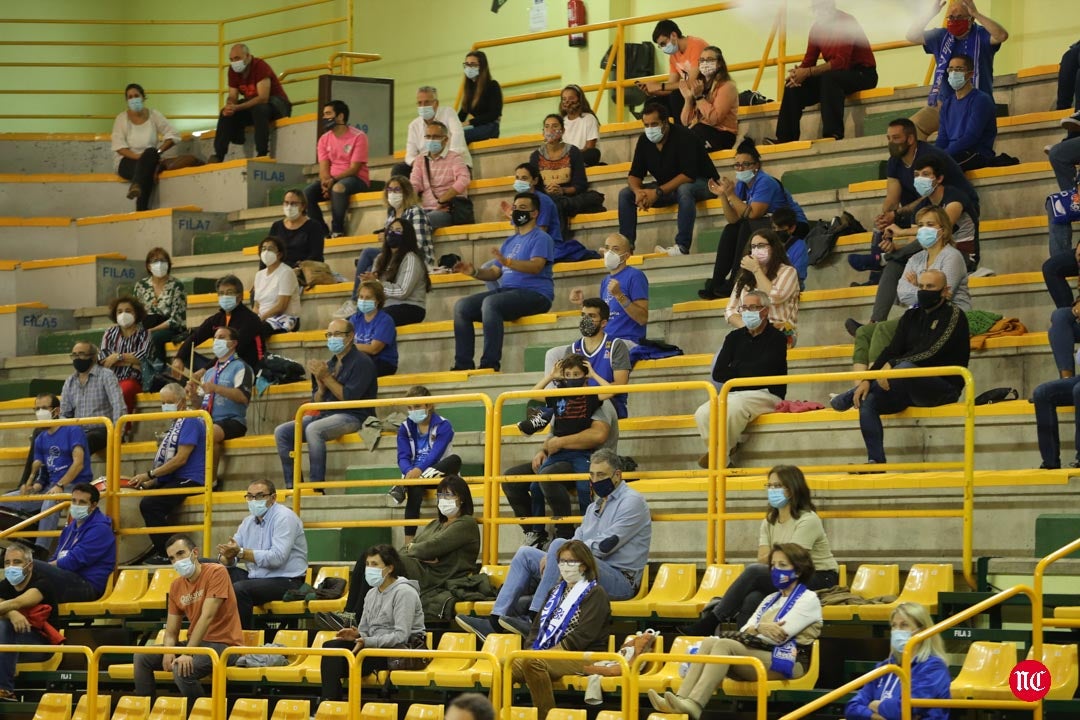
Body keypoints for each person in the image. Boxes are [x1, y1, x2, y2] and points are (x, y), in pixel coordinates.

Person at [456, 448, 650, 641]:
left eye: (601, 475)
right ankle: (494, 621)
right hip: (586, 568)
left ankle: (536, 620)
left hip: (620, 579)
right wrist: (556, 554)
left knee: (559, 545)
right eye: (592, 474)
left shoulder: (632, 502)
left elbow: (605, 546)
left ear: (617, 475)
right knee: (526, 554)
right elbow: (576, 539)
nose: (595, 480)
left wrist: (559, 553)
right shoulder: (594, 506)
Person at [650, 543, 823, 720]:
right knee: (710, 642)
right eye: (773, 565)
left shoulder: (809, 599)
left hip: (789, 661)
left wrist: (756, 629)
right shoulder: (770, 598)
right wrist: (759, 628)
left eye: (783, 565)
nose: (776, 570)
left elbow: (779, 636)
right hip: (761, 656)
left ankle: (695, 704)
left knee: (724, 644)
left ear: (799, 570)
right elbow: (745, 629)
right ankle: (680, 700)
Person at [830, 270, 970, 466]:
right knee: (867, 400)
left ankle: (849, 394)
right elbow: (891, 350)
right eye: (921, 286)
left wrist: (894, 366)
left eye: (930, 287)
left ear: (945, 291)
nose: (924, 291)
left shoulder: (954, 315)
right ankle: (875, 462)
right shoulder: (911, 315)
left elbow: (932, 351)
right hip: (906, 385)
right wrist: (867, 380)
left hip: (942, 388)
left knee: (905, 366)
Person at [682, 466, 839, 633]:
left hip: (819, 576)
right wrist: (778, 558)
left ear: (792, 489)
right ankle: (745, 644)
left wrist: (776, 558)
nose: (772, 490)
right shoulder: (769, 521)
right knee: (753, 598)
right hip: (784, 573)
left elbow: (793, 559)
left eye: (778, 486)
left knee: (754, 571)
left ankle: (713, 620)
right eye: (769, 486)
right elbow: (763, 557)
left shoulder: (808, 519)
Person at [844, 208, 972, 391]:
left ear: (942, 230)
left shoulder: (952, 256)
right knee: (864, 332)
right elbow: (903, 293)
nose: (923, 229)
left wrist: (918, 285)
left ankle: (876, 388)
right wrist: (922, 289)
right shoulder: (916, 258)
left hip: (947, 314)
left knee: (881, 328)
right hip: (920, 314)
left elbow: (944, 294)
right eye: (920, 225)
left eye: (930, 225)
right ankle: (858, 389)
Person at [848, 164, 977, 331]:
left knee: (891, 333)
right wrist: (896, 247)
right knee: (895, 266)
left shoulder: (954, 197)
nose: (920, 178)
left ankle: (882, 259)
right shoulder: (921, 208)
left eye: (925, 174)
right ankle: (874, 323)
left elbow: (944, 295)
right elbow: (904, 292)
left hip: (963, 254)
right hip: (924, 300)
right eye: (916, 175)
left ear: (939, 178)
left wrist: (900, 232)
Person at [504, 354, 616, 546]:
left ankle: (583, 531)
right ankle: (536, 532)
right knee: (528, 482)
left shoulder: (591, 396)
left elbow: (611, 394)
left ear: (584, 375)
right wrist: (551, 376)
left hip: (585, 454)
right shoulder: (558, 395)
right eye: (568, 374)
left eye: (577, 374)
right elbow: (533, 395)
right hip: (557, 454)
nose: (573, 377)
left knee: (582, 485)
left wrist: (594, 374)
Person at [851, 118, 980, 282]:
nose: (891, 143)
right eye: (888, 138)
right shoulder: (894, 162)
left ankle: (884, 259)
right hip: (927, 209)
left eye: (896, 138)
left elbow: (931, 196)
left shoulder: (931, 158)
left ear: (910, 139)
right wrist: (886, 219)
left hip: (954, 210)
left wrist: (898, 219)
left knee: (926, 230)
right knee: (882, 226)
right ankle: (877, 271)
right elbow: (891, 199)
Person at [133, 535, 243, 703]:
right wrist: (168, 652)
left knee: (182, 669)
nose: (177, 561)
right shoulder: (176, 586)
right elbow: (171, 631)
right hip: (196, 644)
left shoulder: (216, 572)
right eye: (172, 558)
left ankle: (201, 714)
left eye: (181, 554)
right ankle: (144, 710)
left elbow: (207, 617)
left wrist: (187, 653)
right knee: (142, 657)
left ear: (195, 553)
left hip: (224, 644)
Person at [451, 192, 555, 371]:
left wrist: (508, 262)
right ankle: (463, 364)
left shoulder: (541, 238)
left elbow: (536, 266)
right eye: (515, 208)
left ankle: (489, 364)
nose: (517, 212)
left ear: (535, 213)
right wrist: (474, 271)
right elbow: (494, 272)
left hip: (536, 294)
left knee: (491, 303)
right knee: (462, 306)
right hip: (509, 292)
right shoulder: (510, 241)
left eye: (523, 208)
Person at [510, 540, 611, 720]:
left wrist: (550, 652)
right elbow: (537, 628)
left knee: (533, 662)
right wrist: (531, 649)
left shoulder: (595, 593)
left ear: (584, 564)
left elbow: (585, 634)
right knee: (505, 664)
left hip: (582, 654)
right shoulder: (555, 592)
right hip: (549, 655)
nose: (565, 566)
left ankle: (547, 716)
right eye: (562, 561)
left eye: (571, 561)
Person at [274, 318, 378, 489]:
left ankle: (317, 486)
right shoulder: (328, 364)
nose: (332, 338)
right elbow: (317, 403)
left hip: (354, 416)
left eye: (336, 334)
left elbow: (349, 399)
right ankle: (292, 487)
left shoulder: (362, 362)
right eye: (329, 335)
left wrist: (326, 378)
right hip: (326, 414)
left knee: (314, 429)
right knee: (282, 432)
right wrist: (321, 388)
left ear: (350, 336)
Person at [700, 137, 807, 298]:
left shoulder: (765, 182)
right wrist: (723, 196)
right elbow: (733, 219)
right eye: (737, 165)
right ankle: (717, 282)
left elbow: (754, 214)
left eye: (745, 164)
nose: (741, 168)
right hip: (767, 224)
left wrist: (731, 194)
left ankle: (736, 281)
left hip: (790, 225)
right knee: (731, 229)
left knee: (746, 225)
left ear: (756, 165)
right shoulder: (743, 183)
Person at [694, 289, 788, 468]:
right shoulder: (733, 338)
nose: (747, 312)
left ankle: (717, 457)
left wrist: (736, 367)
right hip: (734, 392)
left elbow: (766, 370)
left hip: (766, 393)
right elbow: (719, 372)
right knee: (703, 413)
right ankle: (724, 455)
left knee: (734, 409)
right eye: (744, 308)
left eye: (753, 307)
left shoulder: (777, 338)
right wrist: (747, 369)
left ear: (765, 310)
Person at [319, 545, 424, 700]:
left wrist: (367, 640)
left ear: (389, 568)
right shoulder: (371, 594)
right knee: (330, 648)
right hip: (372, 648)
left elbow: (401, 635)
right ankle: (331, 705)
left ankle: (330, 704)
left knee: (335, 664)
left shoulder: (404, 592)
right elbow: (365, 630)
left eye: (375, 564)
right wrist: (356, 635)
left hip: (398, 651)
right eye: (368, 564)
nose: (369, 569)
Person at [619, 102, 718, 257]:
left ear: (665, 123)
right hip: (667, 187)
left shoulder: (685, 136)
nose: (650, 129)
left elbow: (688, 175)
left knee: (684, 189)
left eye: (654, 124)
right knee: (626, 194)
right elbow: (634, 175)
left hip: (703, 183)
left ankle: (682, 246)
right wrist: (638, 191)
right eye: (646, 125)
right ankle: (625, 247)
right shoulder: (644, 140)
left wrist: (657, 192)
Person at [772, 0, 877, 143]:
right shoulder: (816, 29)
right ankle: (785, 138)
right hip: (836, 75)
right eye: (815, 7)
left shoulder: (846, 22)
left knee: (830, 78)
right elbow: (809, 61)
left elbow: (841, 63)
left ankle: (833, 133)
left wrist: (807, 72)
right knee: (793, 85)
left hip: (863, 74)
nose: (818, 10)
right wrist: (798, 74)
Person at [907, 0, 1008, 140]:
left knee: (962, 141)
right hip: (944, 104)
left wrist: (976, 13)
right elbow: (911, 36)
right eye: (951, 18)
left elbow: (1001, 36)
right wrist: (930, 14)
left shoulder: (981, 35)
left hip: (975, 104)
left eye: (959, 17)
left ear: (971, 19)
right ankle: (921, 161)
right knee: (910, 129)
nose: (954, 21)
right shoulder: (940, 36)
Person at [5, 397, 94, 552]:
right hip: (49, 488)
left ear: (56, 410)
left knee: (50, 501)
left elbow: (78, 463)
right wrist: (32, 486)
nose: (40, 413)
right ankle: (20, 544)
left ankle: (41, 551)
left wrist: (60, 485)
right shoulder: (40, 439)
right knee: (6, 501)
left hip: (75, 486)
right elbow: (41, 472)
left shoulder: (73, 430)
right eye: (37, 409)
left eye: (44, 408)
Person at [130, 383, 207, 564]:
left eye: (170, 402)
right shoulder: (176, 424)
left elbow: (181, 459)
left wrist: (149, 475)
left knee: (150, 504)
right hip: (178, 478)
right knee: (144, 496)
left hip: (192, 479)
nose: (166, 406)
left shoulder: (190, 420)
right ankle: (160, 550)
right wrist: (152, 482)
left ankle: (172, 554)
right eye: (163, 402)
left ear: (182, 401)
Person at [339, 176, 435, 319]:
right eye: (389, 190)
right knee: (350, 323)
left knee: (368, 253)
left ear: (406, 192)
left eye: (397, 189)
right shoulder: (391, 215)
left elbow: (418, 244)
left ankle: (354, 300)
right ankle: (361, 299)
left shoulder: (416, 212)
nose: (392, 193)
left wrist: (377, 283)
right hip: (393, 261)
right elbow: (388, 247)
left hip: (417, 259)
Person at [216, 480, 308, 628]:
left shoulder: (284, 518)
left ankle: (238, 642)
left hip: (287, 580)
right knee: (209, 570)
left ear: (273, 498)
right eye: (250, 497)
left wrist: (239, 553)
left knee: (240, 589)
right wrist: (226, 557)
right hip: (256, 578)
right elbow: (233, 549)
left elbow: (277, 558)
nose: (253, 501)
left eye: (259, 496)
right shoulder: (247, 522)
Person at [844, 602, 951, 720]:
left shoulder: (934, 668)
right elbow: (852, 708)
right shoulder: (885, 666)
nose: (897, 631)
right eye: (894, 626)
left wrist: (873, 705)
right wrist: (874, 716)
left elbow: (902, 711)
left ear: (923, 631)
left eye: (904, 625)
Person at [386, 386, 463, 542]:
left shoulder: (444, 425)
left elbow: (436, 454)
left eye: (417, 406)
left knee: (455, 460)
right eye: (409, 408)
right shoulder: (405, 428)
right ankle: (408, 543)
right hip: (415, 476)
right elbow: (402, 456)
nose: (413, 411)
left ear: (429, 405)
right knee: (415, 488)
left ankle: (404, 484)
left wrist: (418, 471)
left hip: (441, 475)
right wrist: (410, 471)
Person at [397, 475, 481, 617]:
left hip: (438, 577)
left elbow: (430, 548)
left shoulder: (466, 523)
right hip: (421, 569)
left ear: (462, 498)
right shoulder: (435, 524)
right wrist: (419, 552)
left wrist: (416, 549)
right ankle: (357, 617)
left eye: (448, 495)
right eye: (440, 495)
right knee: (374, 560)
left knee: (382, 562)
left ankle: (356, 617)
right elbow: (406, 549)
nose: (443, 500)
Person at [541, 298, 632, 419]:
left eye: (591, 316)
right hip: (580, 405)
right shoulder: (572, 349)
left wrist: (589, 397)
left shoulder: (616, 345)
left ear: (603, 323)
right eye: (583, 315)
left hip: (609, 404)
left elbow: (620, 384)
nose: (586, 320)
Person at [186, 326, 253, 488]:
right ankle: (197, 478)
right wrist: (193, 394)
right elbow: (200, 405)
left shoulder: (241, 367)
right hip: (210, 421)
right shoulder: (209, 372)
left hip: (233, 421)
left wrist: (216, 388)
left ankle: (210, 481)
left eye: (221, 337)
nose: (216, 341)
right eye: (215, 337)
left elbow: (243, 397)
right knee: (185, 431)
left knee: (209, 432)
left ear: (233, 343)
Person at [27, 483, 115, 604]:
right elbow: (56, 556)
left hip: (87, 585)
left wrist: (45, 568)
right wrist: (46, 569)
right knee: (26, 580)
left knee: (27, 564)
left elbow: (74, 561)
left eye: (82, 502)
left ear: (93, 506)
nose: (76, 505)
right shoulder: (70, 528)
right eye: (74, 501)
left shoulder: (100, 529)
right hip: (67, 577)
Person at [0, 544, 64, 703]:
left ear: (29, 565)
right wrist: (11, 614)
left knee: (3, 627)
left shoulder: (42, 584)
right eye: (7, 563)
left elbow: (19, 602)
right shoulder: (4, 585)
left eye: (17, 562)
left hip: (42, 644)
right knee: (5, 627)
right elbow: (9, 607)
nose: (11, 567)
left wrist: (10, 610)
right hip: (12, 640)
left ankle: (5, 689)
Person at [210, 44, 291, 161]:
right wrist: (230, 105)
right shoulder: (232, 70)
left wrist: (238, 107)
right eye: (231, 60)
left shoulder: (260, 66)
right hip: (255, 105)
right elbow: (233, 95)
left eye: (237, 58)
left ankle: (262, 153)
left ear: (248, 56)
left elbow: (263, 97)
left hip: (277, 104)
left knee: (260, 109)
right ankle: (218, 155)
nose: (234, 62)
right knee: (225, 113)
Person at [529, 114, 604, 241]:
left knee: (594, 197)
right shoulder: (535, 156)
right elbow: (534, 186)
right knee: (554, 203)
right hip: (547, 199)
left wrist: (562, 191)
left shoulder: (573, 152)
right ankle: (559, 242)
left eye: (555, 126)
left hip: (569, 197)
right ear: (543, 132)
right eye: (547, 127)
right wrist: (546, 192)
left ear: (563, 130)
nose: (550, 130)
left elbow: (581, 185)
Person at [174, 274, 266, 375]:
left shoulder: (250, 319)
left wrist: (205, 370)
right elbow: (194, 338)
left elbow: (235, 352)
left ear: (240, 296)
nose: (225, 296)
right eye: (221, 293)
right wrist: (178, 358)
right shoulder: (216, 319)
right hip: (220, 365)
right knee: (185, 355)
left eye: (229, 293)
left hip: (244, 367)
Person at [305, 100, 369, 239]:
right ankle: (321, 232)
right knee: (307, 193)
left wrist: (333, 181)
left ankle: (337, 230)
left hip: (356, 179)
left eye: (328, 114)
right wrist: (325, 182)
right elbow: (323, 166)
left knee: (338, 188)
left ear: (340, 117)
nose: (324, 118)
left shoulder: (358, 137)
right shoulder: (323, 139)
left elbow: (354, 168)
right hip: (332, 179)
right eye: (323, 114)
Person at [111, 83, 179, 212]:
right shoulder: (121, 119)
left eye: (136, 95)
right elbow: (119, 147)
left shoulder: (154, 115)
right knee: (146, 169)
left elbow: (174, 135)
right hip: (126, 161)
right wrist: (139, 157)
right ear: (126, 101)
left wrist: (158, 151)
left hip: (149, 156)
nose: (133, 99)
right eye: (130, 97)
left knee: (151, 152)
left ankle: (136, 187)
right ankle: (142, 208)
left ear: (143, 97)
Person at [723, 230, 801, 343]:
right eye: (753, 246)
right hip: (749, 332)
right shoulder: (744, 278)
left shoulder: (788, 272)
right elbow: (730, 310)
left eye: (761, 246)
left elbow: (775, 297)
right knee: (724, 354)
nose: (756, 250)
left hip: (780, 332)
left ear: (773, 247)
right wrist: (747, 327)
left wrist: (756, 270)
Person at [362, 219, 431, 327]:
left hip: (410, 307)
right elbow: (375, 288)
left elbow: (402, 292)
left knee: (376, 320)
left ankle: (375, 344)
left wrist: (377, 284)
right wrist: (368, 284)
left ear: (406, 236)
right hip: (385, 307)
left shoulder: (411, 259)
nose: (392, 233)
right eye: (390, 230)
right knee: (351, 322)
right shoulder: (380, 258)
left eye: (398, 231)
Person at [639, 20, 710, 125]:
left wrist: (659, 86)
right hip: (689, 93)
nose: (663, 48)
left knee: (676, 96)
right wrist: (652, 90)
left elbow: (692, 82)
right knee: (653, 103)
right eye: (660, 46)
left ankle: (682, 133)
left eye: (663, 43)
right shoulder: (673, 57)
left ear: (673, 35)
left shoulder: (696, 45)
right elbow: (670, 86)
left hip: (705, 90)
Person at [60, 341, 125, 455]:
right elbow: (64, 413)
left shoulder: (106, 375)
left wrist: (116, 433)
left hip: (101, 430)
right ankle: (34, 473)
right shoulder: (70, 381)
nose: (77, 358)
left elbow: (118, 405)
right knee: (41, 436)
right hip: (77, 431)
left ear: (93, 357)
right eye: (74, 355)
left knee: (86, 439)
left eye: (81, 354)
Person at [393, 85, 472, 178]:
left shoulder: (448, 113)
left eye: (427, 102)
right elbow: (410, 156)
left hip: (452, 162)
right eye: (419, 103)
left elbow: (457, 140)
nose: (423, 106)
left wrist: (443, 162)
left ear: (436, 103)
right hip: (427, 167)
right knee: (399, 170)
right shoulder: (413, 126)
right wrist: (420, 165)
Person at [935, 54, 998, 170]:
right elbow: (942, 138)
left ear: (970, 74)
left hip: (976, 153)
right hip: (952, 154)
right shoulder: (947, 104)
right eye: (951, 69)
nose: (954, 73)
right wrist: (934, 155)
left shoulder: (981, 100)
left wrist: (943, 155)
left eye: (959, 69)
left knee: (941, 168)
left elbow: (971, 137)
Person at [134, 248, 187, 382]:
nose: (159, 264)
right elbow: (135, 313)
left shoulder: (177, 285)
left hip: (170, 327)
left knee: (154, 337)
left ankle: (159, 373)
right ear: (148, 265)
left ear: (168, 264)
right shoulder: (141, 286)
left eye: (163, 260)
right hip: (146, 326)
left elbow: (177, 318)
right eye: (155, 261)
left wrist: (151, 330)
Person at [410, 120, 472, 231]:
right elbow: (414, 183)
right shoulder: (420, 159)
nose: (431, 140)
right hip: (425, 209)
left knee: (422, 221)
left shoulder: (454, 158)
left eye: (435, 137)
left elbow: (464, 179)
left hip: (446, 211)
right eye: (428, 137)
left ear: (446, 139)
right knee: (403, 223)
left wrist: (442, 200)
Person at [99, 295, 151, 420]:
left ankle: (121, 430)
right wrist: (131, 362)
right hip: (111, 379)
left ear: (136, 313)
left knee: (124, 390)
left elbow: (142, 356)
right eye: (119, 311)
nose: (123, 314)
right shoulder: (109, 333)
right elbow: (104, 359)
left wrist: (118, 357)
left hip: (133, 380)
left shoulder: (145, 333)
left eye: (128, 311)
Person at [679, 45, 738, 151]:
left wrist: (699, 98)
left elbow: (714, 119)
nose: (705, 63)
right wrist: (688, 99)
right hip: (701, 131)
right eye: (702, 60)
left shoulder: (727, 86)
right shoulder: (699, 86)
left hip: (722, 134)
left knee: (690, 138)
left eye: (709, 60)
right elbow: (686, 122)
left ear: (719, 64)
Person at [252, 236, 301, 334]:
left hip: (284, 318)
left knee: (256, 330)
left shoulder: (286, 272)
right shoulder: (259, 275)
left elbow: (281, 306)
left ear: (279, 254)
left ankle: (260, 350)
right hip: (262, 318)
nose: (266, 252)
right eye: (263, 249)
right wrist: (252, 319)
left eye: (270, 249)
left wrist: (262, 318)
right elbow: (256, 306)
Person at [349, 280, 398, 377]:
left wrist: (349, 346)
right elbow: (345, 339)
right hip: (361, 359)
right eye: (361, 297)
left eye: (368, 298)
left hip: (383, 362)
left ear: (378, 300)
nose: (363, 300)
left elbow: (374, 349)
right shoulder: (355, 319)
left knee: (355, 371)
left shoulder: (385, 320)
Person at [269, 189, 325, 270]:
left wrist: (297, 268)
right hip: (280, 271)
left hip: (305, 272)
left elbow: (316, 255)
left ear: (303, 206)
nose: (289, 207)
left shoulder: (314, 226)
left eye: (294, 204)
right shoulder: (276, 226)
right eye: (286, 203)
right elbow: (269, 250)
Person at [459, 51, 503, 143]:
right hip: (476, 127)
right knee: (451, 134)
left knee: (459, 136)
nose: (469, 67)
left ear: (482, 66)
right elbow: (462, 113)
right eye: (467, 64)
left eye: (473, 64)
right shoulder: (469, 90)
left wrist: (469, 122)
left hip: (490, 127)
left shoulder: (492, 85)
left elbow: (494, 114)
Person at [559, 84, 601, 166]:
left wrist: (573, 156)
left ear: (580, 99)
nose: (567, 102)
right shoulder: (561, 122)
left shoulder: (589, 118)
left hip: (582, 157)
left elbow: (590, 146)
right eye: (564, 99)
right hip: (566, 160)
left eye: (571, 98)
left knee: (593, 153)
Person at [772, 208, 809, 291]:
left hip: (792, 284)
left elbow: (798, 275)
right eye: (774, 228)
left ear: (792, 228)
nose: (777, 231)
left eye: (781, 228)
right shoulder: (769, 244)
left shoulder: (800, 245)